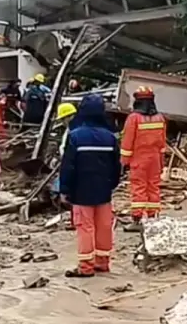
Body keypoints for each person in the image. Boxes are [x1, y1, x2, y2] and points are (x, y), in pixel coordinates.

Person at [58, 94, 120, 278]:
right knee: (104, 226)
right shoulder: (109, 137)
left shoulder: (75, 136)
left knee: (85, 227)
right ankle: (102, 262)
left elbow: (68, 166)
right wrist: (111, 185)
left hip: (81, 192)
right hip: (104, 191)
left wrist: (64, 189)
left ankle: (86, 267)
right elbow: (117, 166)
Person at [119, 86, 166, 231]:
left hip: (139, 160)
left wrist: (123, 162)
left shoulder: (134, 118)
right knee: (153, 187)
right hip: (155, 159)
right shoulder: (160, 117)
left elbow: (127, 142)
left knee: (139, 188)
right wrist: (162, 161)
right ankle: (152, 218)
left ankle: (137, 220)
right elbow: (162, 142)